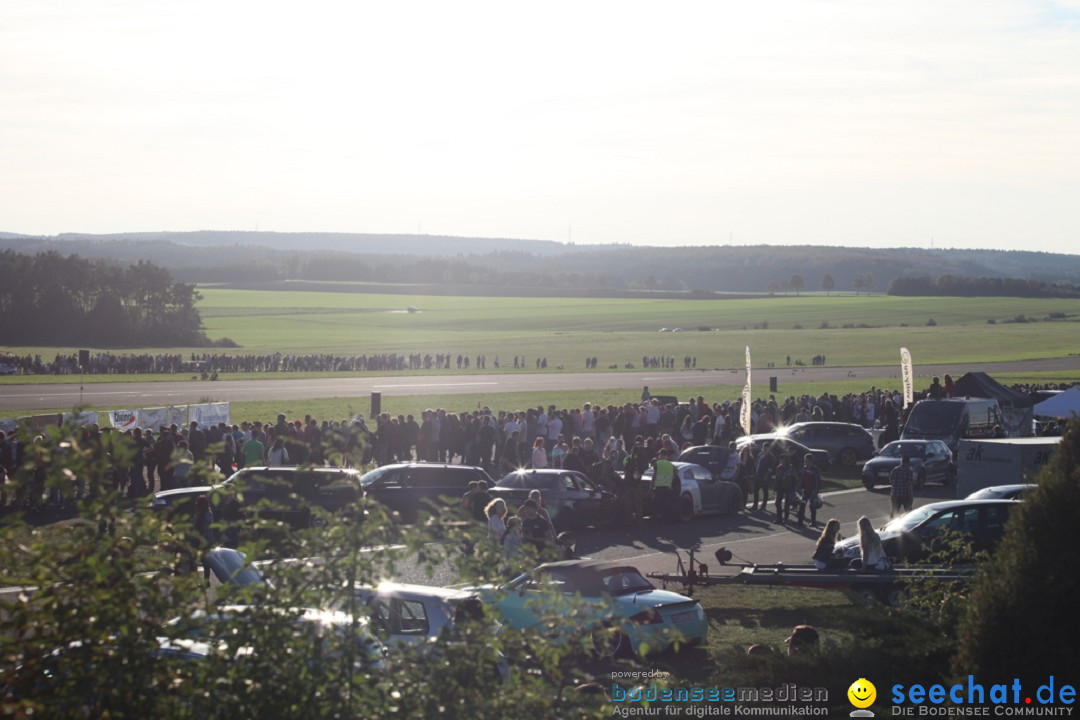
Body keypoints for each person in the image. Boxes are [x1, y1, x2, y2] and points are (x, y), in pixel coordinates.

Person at [192, 494, 215, 585]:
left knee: (205, 561)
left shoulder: (208, 513)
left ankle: (206, 580)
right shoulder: (198, 513)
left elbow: (207, 528)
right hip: (197, 539)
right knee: (194, 560)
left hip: (205, 540)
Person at [650, 449, 678, 522]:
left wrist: (651, 486)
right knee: (665, 505)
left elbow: (654, 475)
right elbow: (676, 471)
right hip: (667, 487)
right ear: (666, 456)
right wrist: (671, 479)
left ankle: (657, 521)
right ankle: (665, 520)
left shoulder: (658, 463)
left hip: (659, 487)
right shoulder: (670, 464)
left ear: (661, 455)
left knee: (657, 505)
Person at [795, 454, 822, 527]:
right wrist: (800, 488)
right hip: (805, 491)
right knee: (802, 506)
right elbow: (801, 479)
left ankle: (813, 521)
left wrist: (816, 491)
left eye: (806, 460)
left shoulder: (815, 470)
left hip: (812, 492)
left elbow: (818, 481)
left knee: (812, 506)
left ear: (810, 461)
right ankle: (800, 521)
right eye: (804, 460)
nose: (805, 462)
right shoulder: (804, 469)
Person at [888, 453, 914, 518]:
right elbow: (909, 485)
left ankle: (891, 523)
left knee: (894, 511)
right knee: (909, 512)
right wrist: (911, 496)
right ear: (908, 461)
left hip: (895, 495)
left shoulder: (895, 470)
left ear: (901, 461)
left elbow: (891, 481)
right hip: (905, 495)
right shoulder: (909, 471)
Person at [773, 455, 796, 525]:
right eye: (781, 460)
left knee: (787, 504)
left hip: (788, 487)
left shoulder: (791, 468)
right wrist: (775, 488)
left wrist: (793, 488)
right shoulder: (778, 468)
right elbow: (777, 478)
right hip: (780, 487)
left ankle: (786, 518)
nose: (781, 461)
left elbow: (794, 478)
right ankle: (779, 517)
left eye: (783, 460)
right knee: (777, 502)